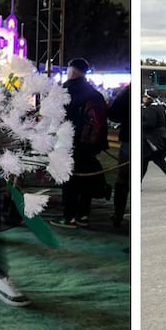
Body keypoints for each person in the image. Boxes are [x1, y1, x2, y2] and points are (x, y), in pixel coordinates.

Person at [53, 58, 109, 228]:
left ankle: (69, 217)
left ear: (72, 71)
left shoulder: (64, 90)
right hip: (90, 145)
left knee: (68, 180)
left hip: (69, 142)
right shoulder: (94, 93)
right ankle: (83, 215)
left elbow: (54, 116)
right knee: (86, 178)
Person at [142, 90, 166, 190]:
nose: (143, 99)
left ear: (149, 98)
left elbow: (150, 124)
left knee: (150, 160)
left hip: (151, 140)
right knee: (147, 161)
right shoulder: (160, 107)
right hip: (158, 138)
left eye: (144, 97)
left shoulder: (150, 109)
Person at [107, 84, 131, 229]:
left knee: (123, 178)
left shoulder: (127, 91)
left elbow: (113, 113)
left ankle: (118, 214)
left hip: (128, 138)